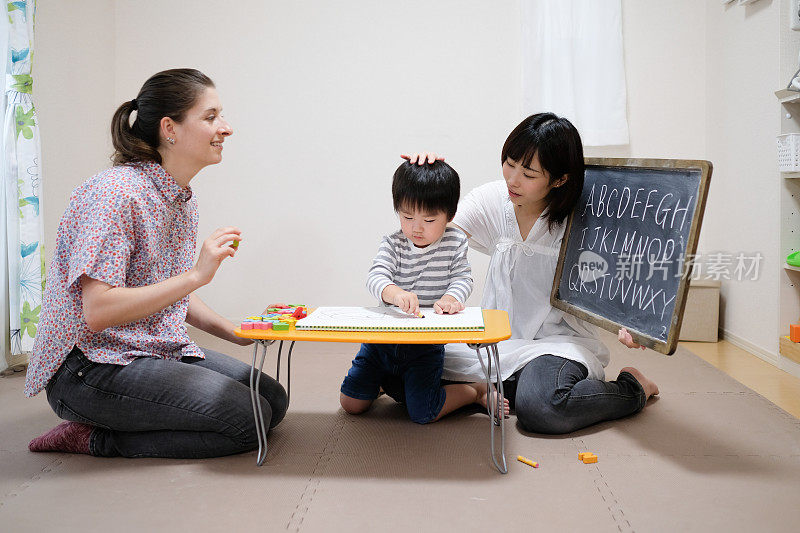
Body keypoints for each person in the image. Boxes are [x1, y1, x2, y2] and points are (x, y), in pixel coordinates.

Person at [25, 68, 288, 458]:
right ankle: (92, 437)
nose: (226, 128)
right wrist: (198, 275)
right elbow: (98, 311)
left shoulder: (180, 196)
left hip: (146, 348)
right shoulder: (115, 194)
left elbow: (163, 290)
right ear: (170, 128)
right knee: (247, 419)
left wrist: (236, 332)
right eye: (211, 117)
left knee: (272, 400)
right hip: (88, 368)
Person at [405, 112, 659, 435]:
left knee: (541, 406)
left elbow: (618, 282)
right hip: (497, 339)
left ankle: (633, 387)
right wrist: (427, 183)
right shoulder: (493, 200)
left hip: (558, 345)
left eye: (528, 173)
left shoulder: (583, 218)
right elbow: (431, 243)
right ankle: (485, 391)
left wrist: (632, 324)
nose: (512, 179)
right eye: (509, 163)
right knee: (401, 372)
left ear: (559, 180)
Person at [339, 160, 509, 424]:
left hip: (424, 345)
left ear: (449, 215)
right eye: (407, 217)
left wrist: (452, 298)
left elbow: (462, 278)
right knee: (350, 403)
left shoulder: (455, 242)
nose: (416, 228)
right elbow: (375, 277)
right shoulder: (394, 243)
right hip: (381, 342)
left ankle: (477, 390)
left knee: (423, 413)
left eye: (429, 220)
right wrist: (394, 293)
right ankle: (388, 381)